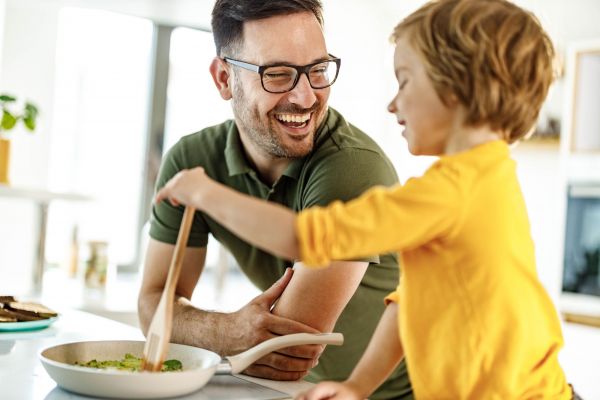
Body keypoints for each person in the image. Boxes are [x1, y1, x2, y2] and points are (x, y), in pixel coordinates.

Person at [154, 0, 576, 398]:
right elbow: (409, 301)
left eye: (406, 81)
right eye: (279, 73)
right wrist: (358, 386)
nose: (393, 104)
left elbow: (306, 239)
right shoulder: (482, 179)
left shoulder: (452, 191)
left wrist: (205, 193)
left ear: (455, 88)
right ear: (224, 78)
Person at [138, 0, 412, 398]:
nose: (305, 98)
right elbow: (152, 307)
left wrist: (210, 330)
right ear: (224, 80)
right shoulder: (193, 161)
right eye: (279, 75)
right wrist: (230, 329)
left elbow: (288, 350)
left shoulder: (355, 169)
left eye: (317, 71)